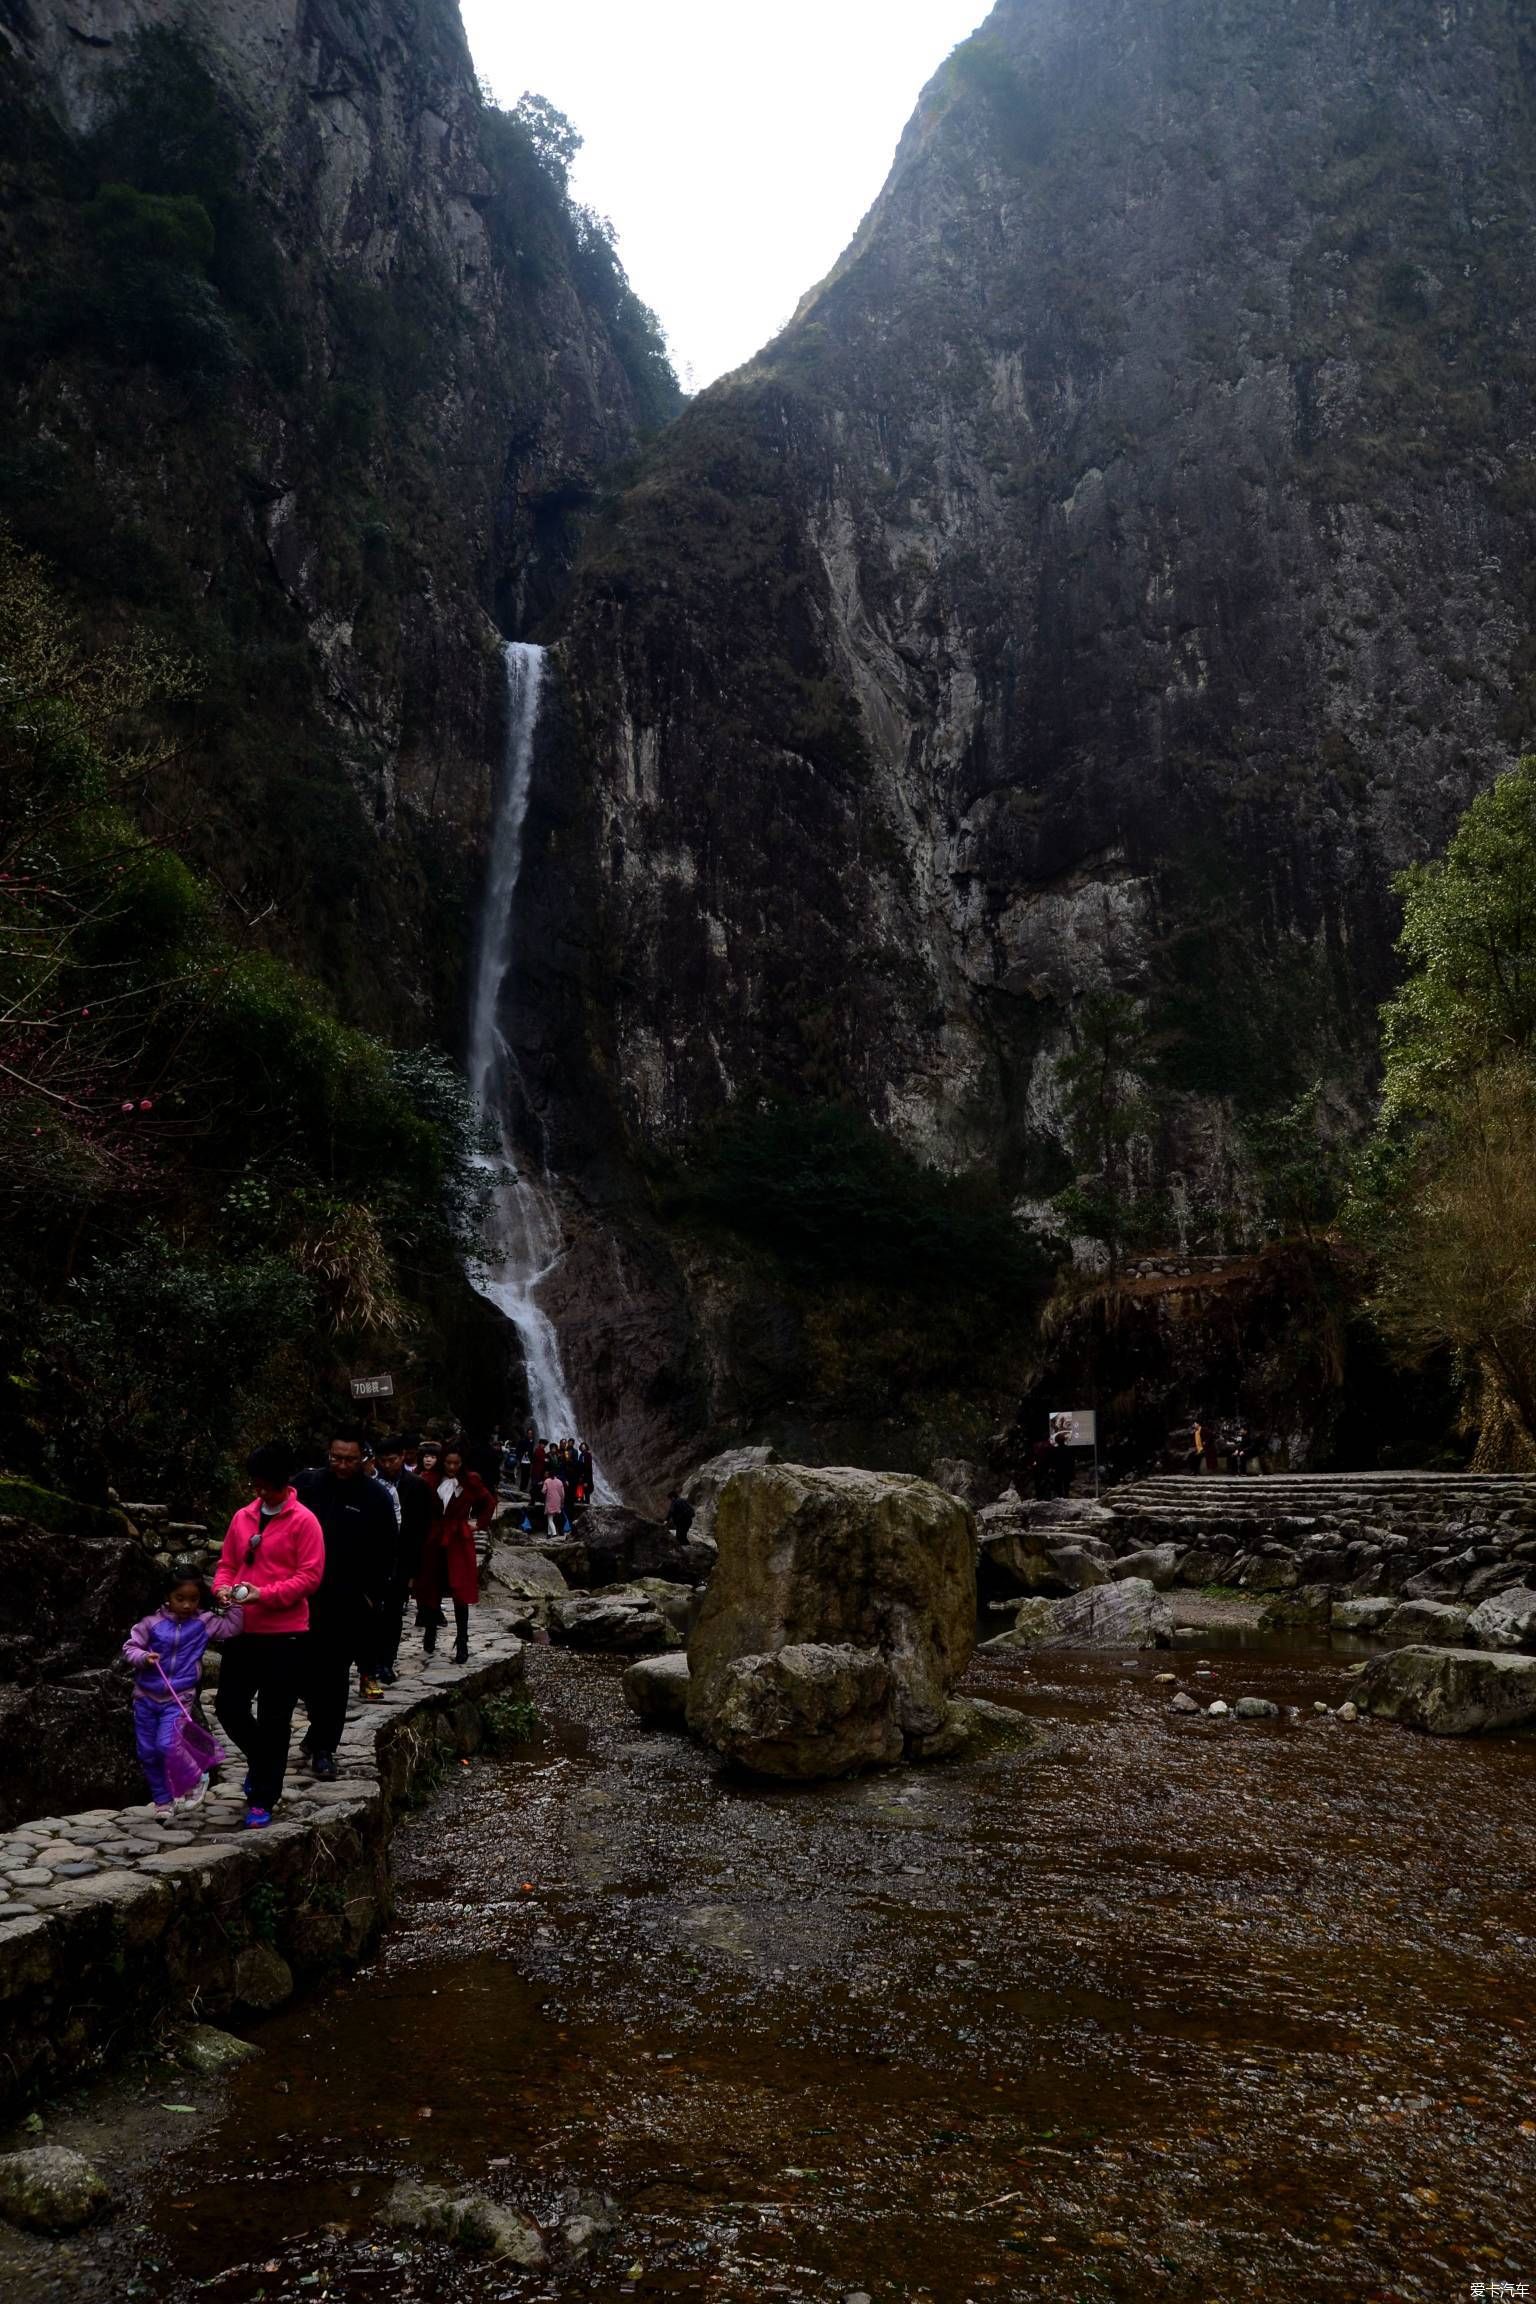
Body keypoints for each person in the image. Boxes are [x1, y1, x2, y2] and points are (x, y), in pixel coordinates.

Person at [211, 1442, 325, 1830]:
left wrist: (266, 1595)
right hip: (243, 1630)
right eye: (255, 1485)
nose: (260, 1493)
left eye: (267, 1486)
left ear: (283, 1482)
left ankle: (263, 1796)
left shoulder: (304, 1521)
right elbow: (227, 1564)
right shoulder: (243, 1517)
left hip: (286, 1634)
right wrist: (222, 1589)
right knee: (228, 1705)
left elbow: (309, 1576)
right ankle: (262, 1764)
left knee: (275, 1717)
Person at [296, 1426, 399, 1778]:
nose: (342, 1465)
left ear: (363, 1459)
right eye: (336, 1458)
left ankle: (326, 1746)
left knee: (336, 1674)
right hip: (303, 1595)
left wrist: (374, 1595)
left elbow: (389, 1548)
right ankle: (316, 1726)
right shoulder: (307, 1486)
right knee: (306, 1674)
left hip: (350, 1599)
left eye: (350, 1459)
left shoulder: (376, 1497)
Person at [122, 1571, 244, 1814]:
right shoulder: (151, 1623)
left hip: (179, 1696)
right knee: (147, 1752)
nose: (187, 1605)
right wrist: (144, 1658)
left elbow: (232, 1627)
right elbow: (130, 1647)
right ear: (168, 1597)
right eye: (180, 1598)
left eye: (194, 1599)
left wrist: (235, 1602)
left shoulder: (203, 1623)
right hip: (145, 1696)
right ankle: (162, 1802)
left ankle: (196, 1777)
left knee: (167, 1744)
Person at [418, 1440, 494, 1664]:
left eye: (456, 1463)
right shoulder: (429, 1479)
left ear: (462, 1463)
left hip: (458, 1540)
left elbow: (489, 1503)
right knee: (432, 1585)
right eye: (449, 1463)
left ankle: (462, 1641)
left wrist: (477, 1524)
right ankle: (430, 1631)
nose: (452, 1467)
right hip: (434, 1538)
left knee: (460, 1590)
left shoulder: (471, 1481)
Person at [376, 1435, 442, 1681]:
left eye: (392, 1460)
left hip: (402, 1559)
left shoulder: (417, 1486)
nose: (387, 1465)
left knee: (393, 1613)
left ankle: (386, 1662)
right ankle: (371, 1662)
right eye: (382, 1461)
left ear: (402, 1457)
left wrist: (415, 1569)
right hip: (375, 1557)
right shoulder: (373, 1484)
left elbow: (423, 1527)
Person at [542, 1460, 565, 1542]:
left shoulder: (547, 1481)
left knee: (550, 1519)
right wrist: (562, 1502)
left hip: (550, 1501)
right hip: (557, 1501)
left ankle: (554, 1534)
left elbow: (543, 1491)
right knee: (551, 1517)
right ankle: (548, 1534)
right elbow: (562, 1494)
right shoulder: (559, 1481)